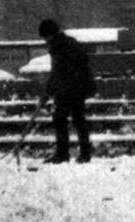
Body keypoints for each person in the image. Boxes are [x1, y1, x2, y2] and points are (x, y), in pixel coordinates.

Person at [38, 18, 96, 163]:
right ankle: (84, 154)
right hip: (76, 88)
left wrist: (47, 92)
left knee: (60, 120)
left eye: (45, 37)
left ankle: (63, 155)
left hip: (68, 89)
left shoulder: (59, 47)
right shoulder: (68, 42)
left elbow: (57, 72)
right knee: (78, 120)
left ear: (50, 35)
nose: (45, 41)